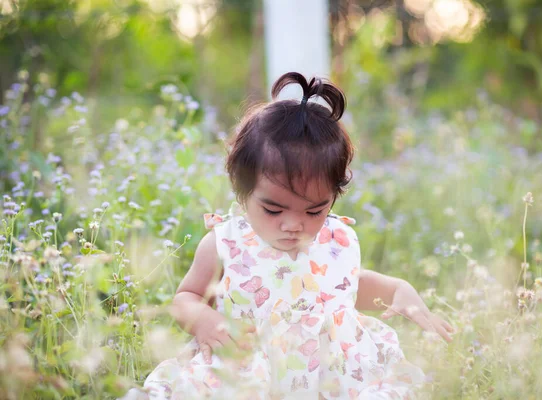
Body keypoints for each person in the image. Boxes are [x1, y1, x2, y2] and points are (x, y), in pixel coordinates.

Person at [132, 72, 453, 399]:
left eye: (314, 210)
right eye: (274, 210)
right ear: (243, 190)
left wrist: (397, 289)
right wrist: (203, 320)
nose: (293, 224)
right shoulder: (226, 242)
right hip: (247, 370)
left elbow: (344, 288)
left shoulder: (336, 240)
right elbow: (186, 297)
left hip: (327, 374)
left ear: (333, 196)